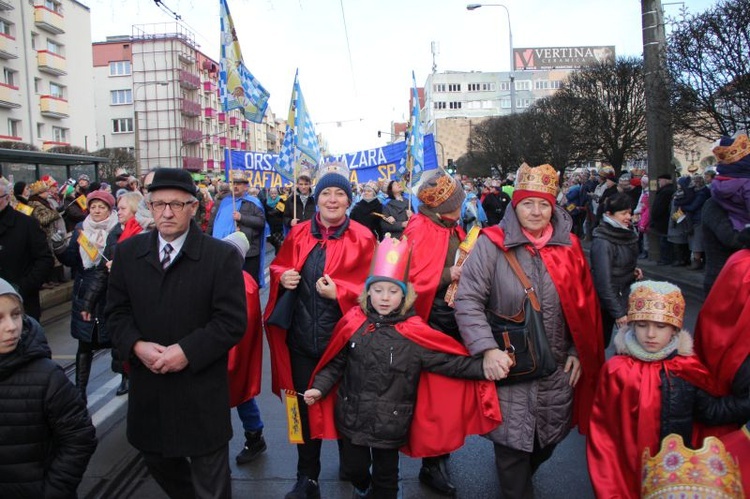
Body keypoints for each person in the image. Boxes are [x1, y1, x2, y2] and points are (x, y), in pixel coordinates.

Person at [302, 236, 504, 499]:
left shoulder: (415, 334)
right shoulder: (354, 324)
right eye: (378, 290)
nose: (385, 298)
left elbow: (449, 363)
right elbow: (336, 363)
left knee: (386, 480)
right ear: (367, 293)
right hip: (352, 417)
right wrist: (319, 388)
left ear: (404, 295)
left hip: (392, 422)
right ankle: (362, 486)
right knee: (353, 469)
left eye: (393, 291)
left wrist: (484, 367)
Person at [454, 163, 604, 499]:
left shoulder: (570, 247)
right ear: (514, 205)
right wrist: (486, 349)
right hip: (509, 365)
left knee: (546, 441)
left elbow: (586, 306)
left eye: (544, 204)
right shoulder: (490, 244)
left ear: (553, 207)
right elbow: (468, 301)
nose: (536, 212)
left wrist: (580, 351)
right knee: (512, 450)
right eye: (527, 203)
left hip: (556, 367)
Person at [105, 168, 247, 499]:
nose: (166, 213)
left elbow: (231, 321)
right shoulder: (128, 254)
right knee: (156, 458)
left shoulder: (219, 256)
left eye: (177, 204)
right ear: (149, 207)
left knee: (211, 482)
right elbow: (116, 313)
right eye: (158, 204)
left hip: (200, 390)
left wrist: (186, 351)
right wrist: (136, 345)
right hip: (150, 386)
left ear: (194, 207)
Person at [264, 162, 377, 499]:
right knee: (299, 408)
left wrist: (340, 292)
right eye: (325, 192)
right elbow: (279, 265)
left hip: (344, 346)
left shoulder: (364, 237)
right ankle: (307, 476)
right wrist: (282, 277)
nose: (331, 199)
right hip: (301, 342)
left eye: (339, 193)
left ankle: (356, 470)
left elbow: (379, 292)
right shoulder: (298, 234)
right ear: (317, 197)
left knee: (349, 410)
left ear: (348, 200)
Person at [587, 280, 750, 498]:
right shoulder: (616, 371)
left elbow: (710, 411)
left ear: (674, 329)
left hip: (673, 474)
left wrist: (744, 404)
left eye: (660, 326)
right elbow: (603, 433)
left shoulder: (687, 369)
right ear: (632, 325)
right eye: (642, 325)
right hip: (628, 471)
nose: (651, 334)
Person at [401, 169, 471, 496]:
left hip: (451, 318)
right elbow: (411, 278)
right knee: (432, 395)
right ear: (444, 206)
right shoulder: (420, 228)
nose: (463, 205)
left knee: (447, 393)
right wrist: (450, 272)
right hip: (430, 321)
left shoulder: (449, 226)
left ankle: (440, 454)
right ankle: (431, 463)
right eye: (458, 202)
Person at [0, 278, 97, 497]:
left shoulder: (48, 377)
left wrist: (53, 492)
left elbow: (79, 438)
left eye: (16, 315)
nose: (11, 327)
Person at [79, 191, 147, 397]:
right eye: (118, 208)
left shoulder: (144, 233)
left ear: (135, 210)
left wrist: (121, 267)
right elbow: (101, 271)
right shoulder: (115, 233)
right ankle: (126, 376)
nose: (119, 212)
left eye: (123, 208)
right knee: (120, 340)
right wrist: (88, 303)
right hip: (120, 297)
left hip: (142, 302)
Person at [55, 190, 118, 405]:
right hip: (85, 290)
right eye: (93, 207)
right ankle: (80, 388)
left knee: (117, 338)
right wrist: (60, 250)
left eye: (102, 207)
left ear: (110, 210)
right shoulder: (81, 230)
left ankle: (126, 377)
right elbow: (73, 259)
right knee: (85, 343)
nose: (97, 211)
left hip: (110, 290)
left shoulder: (117, 229)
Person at [222, 232, 268, 465]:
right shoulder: (221, 277)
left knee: (241, 396)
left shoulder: (242, 282)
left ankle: (254, 436)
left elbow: (245, 322)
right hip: (222, 350)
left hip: (234, 351)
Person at [589, 193, 642, 348]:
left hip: (623, 296)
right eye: (623, 213)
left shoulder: (625, 233)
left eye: (630, 213)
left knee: (628, 344)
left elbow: (618, 264)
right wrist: (618, 312)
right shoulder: (603, 242)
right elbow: (603, 281)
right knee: (602, 343)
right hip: (608, 301)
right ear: (609, 215)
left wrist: (632, 271)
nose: (629, 217)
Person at [0, 181, 54, 321]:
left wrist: (22, 287)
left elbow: (45, 259)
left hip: (23, 303)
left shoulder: (27, 224)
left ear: (7, 198)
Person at [208, 171, 266, 285]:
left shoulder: (254, 203)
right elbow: (213, 223)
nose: (235, 186)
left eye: (239, 184)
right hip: (225, 250)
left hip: (249, 252)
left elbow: (261, 222)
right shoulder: (223, 202)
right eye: (233, 183)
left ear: (245, 186)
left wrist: (242, 218)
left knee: (248, 286)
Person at [650, 173, 676, 265]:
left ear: (665, 180)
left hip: (663, 219)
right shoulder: (667, 190)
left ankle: (666, 259)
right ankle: (666, 258)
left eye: (660, 180)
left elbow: (660, 206)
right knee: (664, 240)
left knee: (664, 240)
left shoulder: (665, 191)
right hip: (663, 219)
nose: (659, 182)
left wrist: (654, 215)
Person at [264, 186, 286, 254]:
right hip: (270, 226)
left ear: (277, 193)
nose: (273, 195)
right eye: (272, 193)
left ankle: (278, 257)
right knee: (272, 241)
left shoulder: (281, 200)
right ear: (269, 194)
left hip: (279, 226)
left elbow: (280, 211)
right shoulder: (266, 201)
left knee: (279, 244)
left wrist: (271, 211)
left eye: (275, 193)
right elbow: (265, 213)